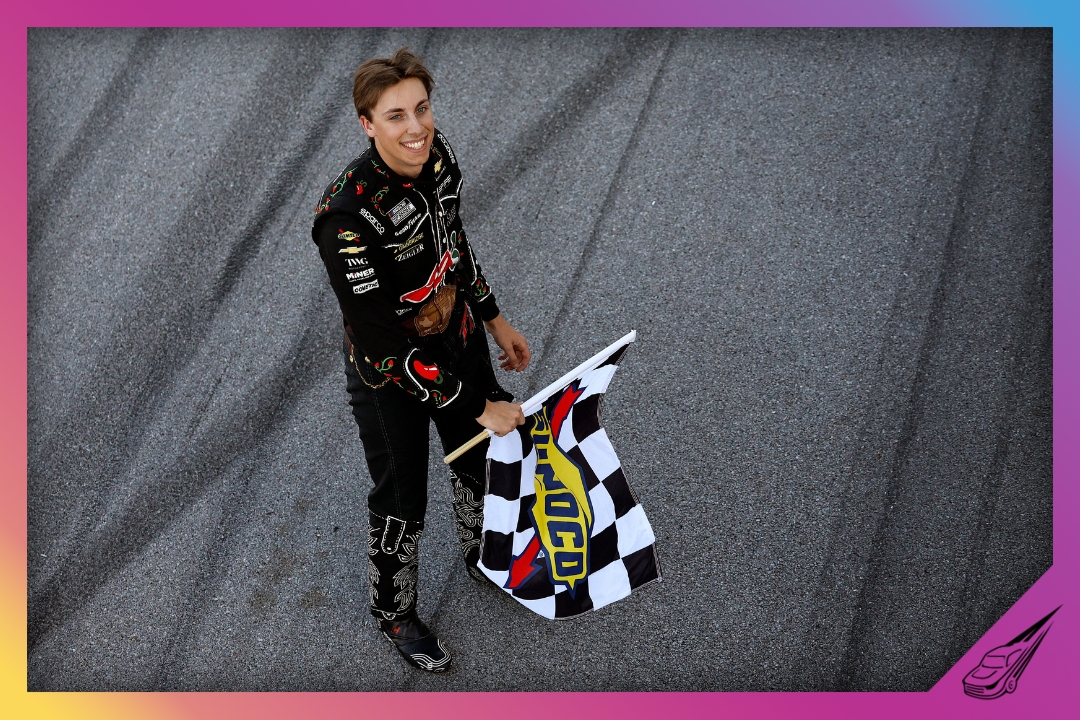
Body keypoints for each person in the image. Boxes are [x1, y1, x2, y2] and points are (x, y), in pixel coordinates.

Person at [310, 48, 530, 673]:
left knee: (477, 456)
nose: (416, 128)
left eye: (423, 109)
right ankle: (394, 612)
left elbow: (455, 241)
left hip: (456, 334)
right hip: (388, 372)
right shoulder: (344, 219)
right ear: (366, 123)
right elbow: (383, 344)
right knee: (403, 498)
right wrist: (478, 403)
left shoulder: (440, 157)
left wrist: (493, 316)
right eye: (396, 115)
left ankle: (484, 555)